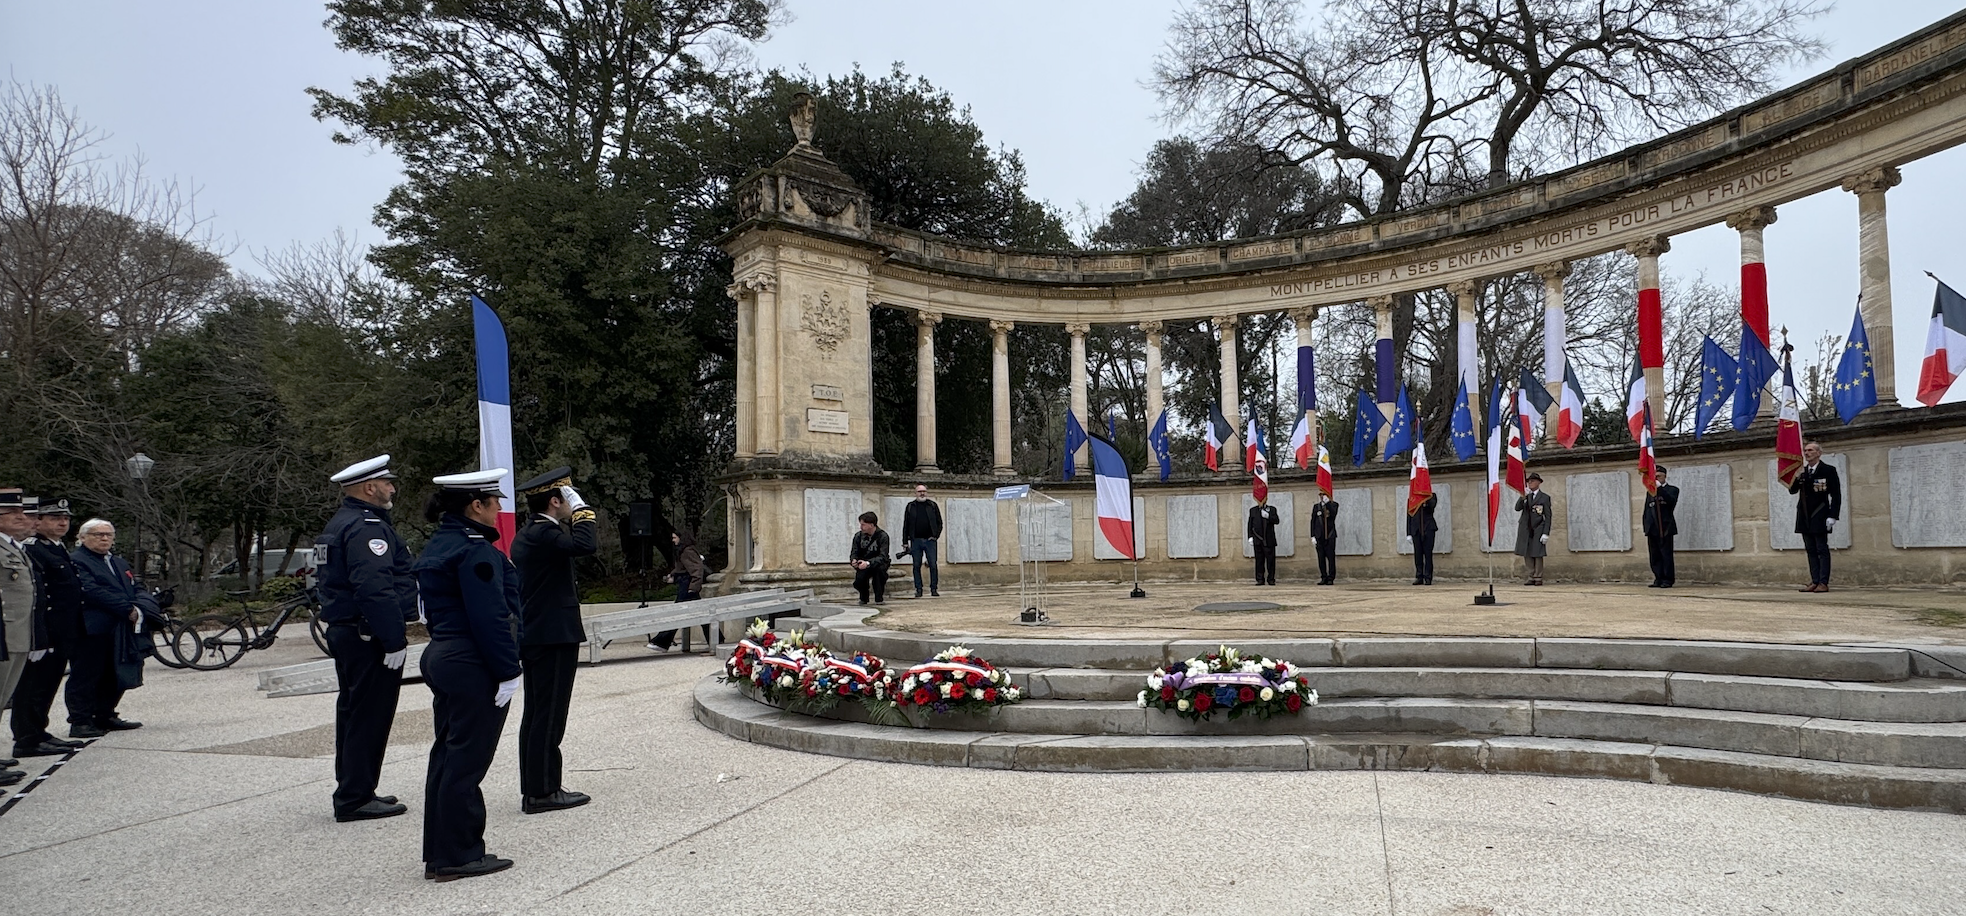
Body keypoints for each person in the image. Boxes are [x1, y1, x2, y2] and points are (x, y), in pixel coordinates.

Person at [414, 469, 524, 882]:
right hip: (470, 660)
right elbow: (490, 617)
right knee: (465, 762)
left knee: (447, 757)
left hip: (445, 653)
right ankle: (459, 854)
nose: (499, 509)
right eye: (494, 502)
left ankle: (442, 852)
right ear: (475, 506)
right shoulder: (473, 550)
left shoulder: (442, 543)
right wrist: (507, 669)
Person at [314, 455, 417, 823]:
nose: (392, 488)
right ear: (368, 488)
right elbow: (374, 588)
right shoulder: (365, 527)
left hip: (351, 632)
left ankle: (357, 788)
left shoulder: (342, 523)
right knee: (368, 715)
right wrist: (392, 639)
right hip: (366, 635)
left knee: (356, 713)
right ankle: (355, 796)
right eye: (387, 483)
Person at [510, 467, 597, 814]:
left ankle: (537, 786)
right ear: (556, 500)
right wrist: (583, 510)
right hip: (552, 634)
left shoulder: (530, 532)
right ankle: (543, 792)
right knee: (548, 714)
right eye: (567, 497)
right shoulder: (543, 533)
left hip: (540, 632)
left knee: (537, 713)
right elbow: (585, 544)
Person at [12, 497, 86, 760]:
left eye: (65, 518)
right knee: (33, 685)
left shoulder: (56, 547)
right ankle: (27, 737)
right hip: (47, 629)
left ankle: (38, 731)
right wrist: (41, 633)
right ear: (39, 521)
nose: (62, 523)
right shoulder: (34, 549)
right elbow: (41, 597)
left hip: (63, 629)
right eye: (55, 518)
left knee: (48, 684)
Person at [67, 518, 147, 737]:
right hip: (92, 627)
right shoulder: (77, 560)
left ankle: (105, 714)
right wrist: (126, 608)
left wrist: (145, 605)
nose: (104, 538)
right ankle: (81, 720)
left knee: (115, 672)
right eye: (97, 534)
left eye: (108, 534)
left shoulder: (118, 562)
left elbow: (135, 586)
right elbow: (91, 591)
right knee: (87, 674)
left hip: (120, 628)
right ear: (82, 538)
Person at [1790, 442, 1842, 593]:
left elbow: (1836, 495)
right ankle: (1814, 581)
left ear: (1819, 453)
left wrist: (1833, 516)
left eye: (1810, 450)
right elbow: (1792, 491)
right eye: (1805, 451)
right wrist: (1797, 476)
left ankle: (1823, 582)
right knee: (1810, 549)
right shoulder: (1803, 471)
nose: (1807, 453)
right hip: (1804, 515)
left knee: (1821, 549)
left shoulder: (1828, 470)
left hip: (1820, 514)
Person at [647, 527, 707, 652]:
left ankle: (661, 642)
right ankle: (716, 639)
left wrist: (693, 587)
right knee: (703, 615)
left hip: (687, 587)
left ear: (681, 538)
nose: (673, 540)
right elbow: (683, 569)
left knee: (677, 614)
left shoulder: (687, 551)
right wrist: (673, 576)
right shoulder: (684, 551)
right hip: (687, 585)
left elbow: (696, 569)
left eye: (675, 538)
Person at [900, 484, 943, 598]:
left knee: (933, 565)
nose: (922, 493)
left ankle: (934, 589)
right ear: (916, 493)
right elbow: (906, 525)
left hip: (930, 541)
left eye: (924, 491)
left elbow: (939, 523)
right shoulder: (910, 506)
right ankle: (918, 589)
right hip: (916, 541)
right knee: (916, 565)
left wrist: (935, 536)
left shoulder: (932, 505)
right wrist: (905, 542)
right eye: (920, 491)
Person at [1644, 466, 1679, 588]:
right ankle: (1658, 578)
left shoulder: (1672, 490)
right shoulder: (1650, 492)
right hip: (1653, 528)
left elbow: (1670, 502)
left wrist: (1659, 488)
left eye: (1659, 476)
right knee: (1655, 556)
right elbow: (1647, 510)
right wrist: (1646, 526)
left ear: (1665, 476)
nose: (1656, 478)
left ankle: (1667, 579)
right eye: (1655, 476)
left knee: (1666, 554)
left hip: (1665, 527)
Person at [1515, 472, 1552, 586]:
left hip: (1538, 528)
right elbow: (1517, 508)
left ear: (1538, 483)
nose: (1530, 483)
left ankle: (1538, 577)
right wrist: (1522, 497)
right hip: (1526, 528)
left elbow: (1548, 516)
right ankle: (1530, 576)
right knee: (1527, 553)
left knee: (1537, 552)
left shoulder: (1544, 498)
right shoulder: (1526, 496)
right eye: (1528, 481)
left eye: (1532, 481)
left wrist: (1546, 532)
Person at [848, 511, 890, 606]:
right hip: (862, 562)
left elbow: (883, 556)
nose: (861, 527)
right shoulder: (858, 536)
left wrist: (868, 563)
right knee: (859, 581)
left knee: (879, 576)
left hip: (878, 563)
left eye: (863, 525)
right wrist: (853, 560)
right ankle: (863, 598)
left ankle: (879, 598)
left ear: (871, 525)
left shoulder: (883, 536)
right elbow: (854, 551)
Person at [1246, 496, 1280, 586]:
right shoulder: (1253, 510)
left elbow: (1277, 521)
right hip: (1257, 539)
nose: (1260, 501)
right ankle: (1260, 579)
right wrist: (1250, 537)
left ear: (1266, 499)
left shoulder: (1272, 509)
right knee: (1259, 560)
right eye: (1259, 499)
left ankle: (1271, 579)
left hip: (1269, 540)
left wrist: (1268, 516)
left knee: (1270, 561)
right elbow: (1250, 524)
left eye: (1263, 499)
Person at [1407, 492, 1438, 586]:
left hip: (1428, 529)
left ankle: (1428, 577)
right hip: (1416, 530)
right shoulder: (1411, 499)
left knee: (1428, 555)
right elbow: (1409, 516)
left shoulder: (1431, 496)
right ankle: (1419, 576)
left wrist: (1425, 499)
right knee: (1418, 555)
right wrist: (1408, 533)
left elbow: (1431, 507)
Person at [1309, 493, 1339, 585]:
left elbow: (1333, 515)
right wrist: (1312, 535)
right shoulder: (1316, 507)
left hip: (1329, 536)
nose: (1322, 496)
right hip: (1319, 536)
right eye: (1321, 495)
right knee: (1321, 558)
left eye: (1324, 494)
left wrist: (1328, 504)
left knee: (1330, 558)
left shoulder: (1334, 505)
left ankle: (1331, 578)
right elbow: (1313, 521)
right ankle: (1323, 577)